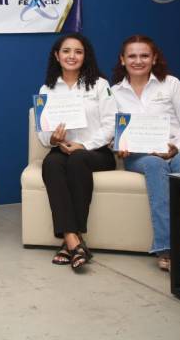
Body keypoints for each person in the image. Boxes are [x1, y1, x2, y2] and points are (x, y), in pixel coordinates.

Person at [111, 34, 180, 276]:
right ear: (122, 60)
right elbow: (112, 130)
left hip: (178, 150)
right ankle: (175, 249)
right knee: (155, 165)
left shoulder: (170, 84)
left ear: (154, 59)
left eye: (144, 55)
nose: (138, 60)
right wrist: (119, 145)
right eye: (132, 56)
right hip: (140, 156)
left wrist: (174, 145)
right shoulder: (114, 92)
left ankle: (170, 248)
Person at [37, 33, 117, 271]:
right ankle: (73, 240)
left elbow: (111, 124)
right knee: (50, 164)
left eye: (78, 52)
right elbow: (42, 131)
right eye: (66, 51)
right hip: (62, 150)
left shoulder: (100, 85)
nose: (72, 56)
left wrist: (85, 145)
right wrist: (52, 138)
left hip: (96, 152)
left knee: (78, 160)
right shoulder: (46, 89)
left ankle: (69, 241)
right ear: (57, 55)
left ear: (86, 56)